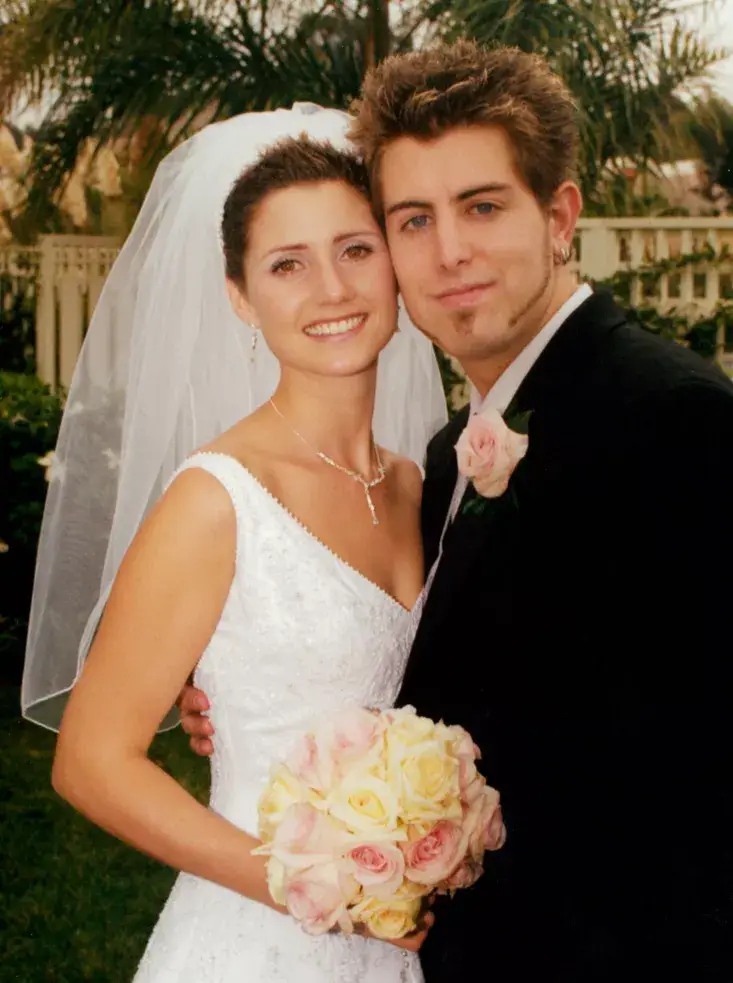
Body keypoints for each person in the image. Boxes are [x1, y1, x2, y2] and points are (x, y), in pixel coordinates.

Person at [182, 43, 733, 982]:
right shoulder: (447, 457)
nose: (449, 252)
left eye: (481, 206)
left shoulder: (675, 420)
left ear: (559, 217)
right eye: (413, 219)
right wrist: (254, 693)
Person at [21, 107, 448, 981]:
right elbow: (91, 762)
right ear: (240, 297)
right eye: (287, 264)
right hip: (259, 942)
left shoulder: (423, 484)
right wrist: (313, 887)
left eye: (355, 249)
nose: (330, 288)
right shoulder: (216, 499)